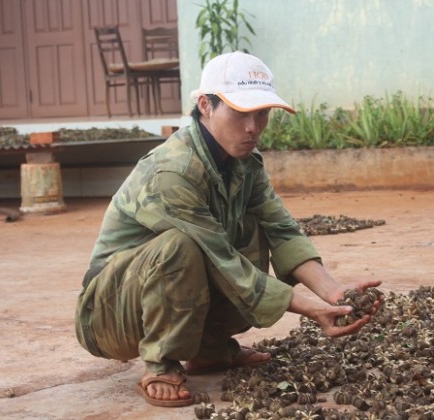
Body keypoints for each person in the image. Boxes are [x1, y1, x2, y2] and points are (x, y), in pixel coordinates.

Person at [74, 51, 382, 407]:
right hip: (110, 315)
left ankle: (208, 349)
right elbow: (219, 259)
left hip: (152, 294)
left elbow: (281, 229)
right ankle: (161, 363)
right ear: (206, 105)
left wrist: (335, 295)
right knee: (183, 245)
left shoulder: (244, 164)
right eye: (240, 113)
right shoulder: (172, 171)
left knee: (252, 226)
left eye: (262, 114)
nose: (253, 127)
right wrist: (310, 310)